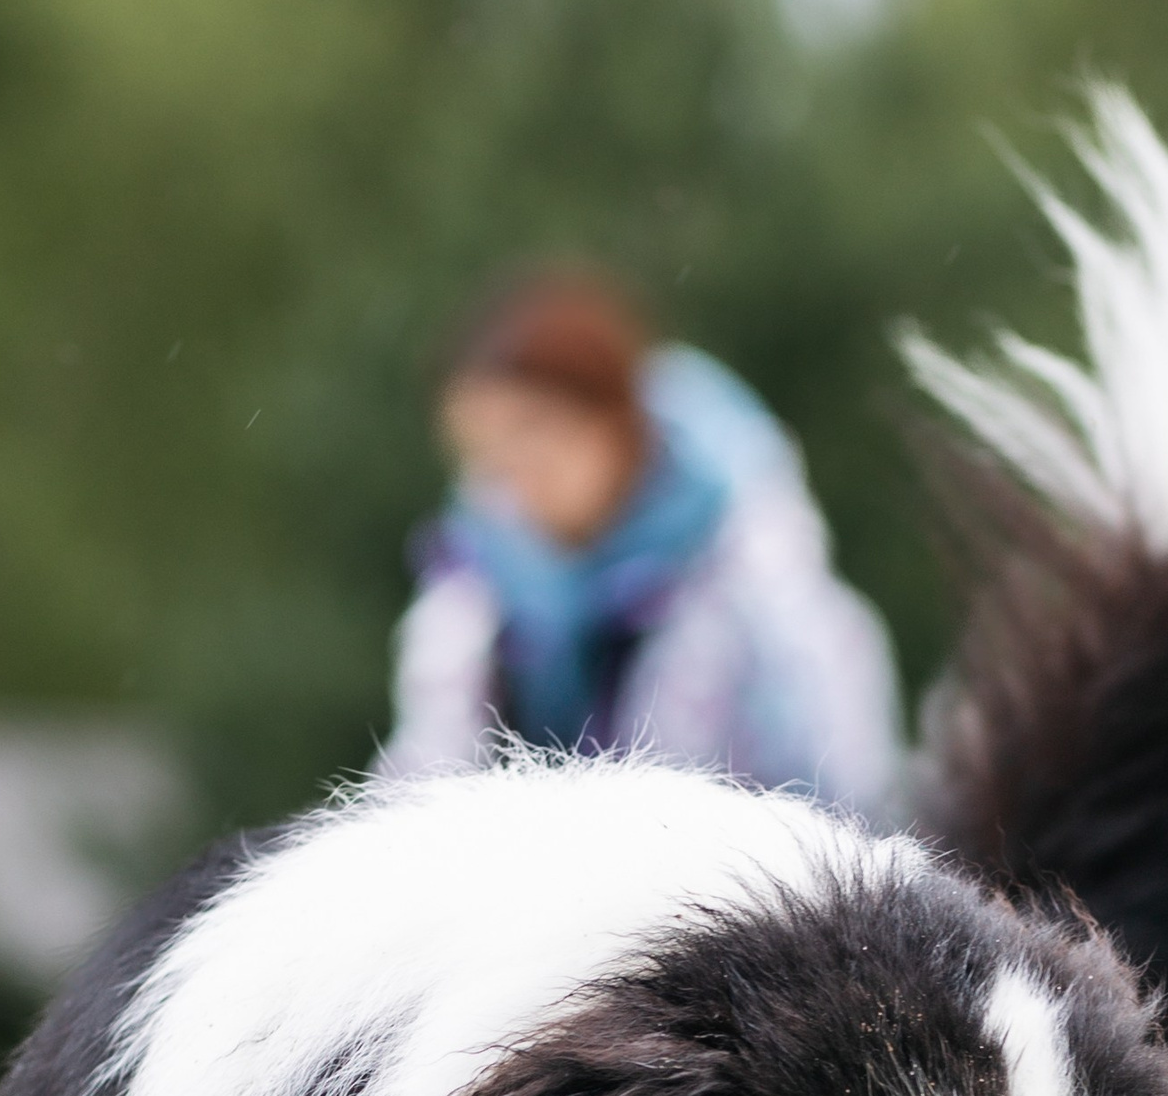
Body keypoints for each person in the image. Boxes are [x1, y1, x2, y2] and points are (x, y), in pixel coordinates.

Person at [378, 270, 903, 816]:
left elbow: (843, 796)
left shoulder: (758, 582)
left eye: (532, 431)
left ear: (615, 417)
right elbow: (422, 778)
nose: (513, 473)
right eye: (483, 450)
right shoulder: (474, 587)